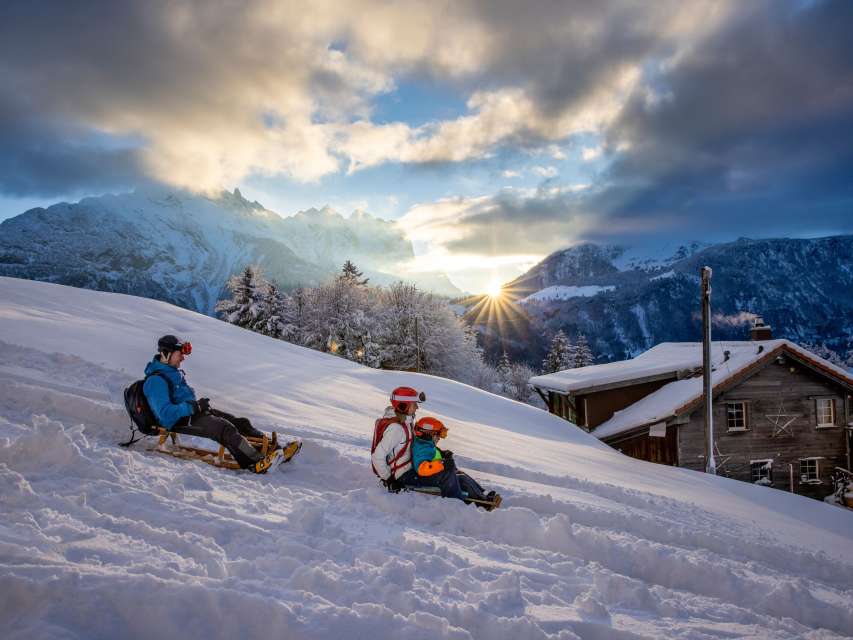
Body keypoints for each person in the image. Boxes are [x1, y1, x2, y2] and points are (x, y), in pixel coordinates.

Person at [143, 334, 280, 473]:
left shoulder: (173, 373)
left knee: (241, 422)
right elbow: (166, 415)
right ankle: (255, 462)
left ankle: (271, 449)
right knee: (225, 429)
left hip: (192, 413)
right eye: (180, 354)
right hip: (179, 420)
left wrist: (197, 406)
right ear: (166, 354)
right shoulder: (155, 381)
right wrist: (193, 407)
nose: (183, 358)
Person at [409, 416, 497, 507]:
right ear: (428, 433)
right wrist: (442, 465)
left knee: (460, 475)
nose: (439, 438)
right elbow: (422, 468)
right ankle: (481, 501)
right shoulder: (422, 448)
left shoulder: (426, 444)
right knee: (461, 478)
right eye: (438, 435)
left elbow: (433, 454)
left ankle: (482, 494)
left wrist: (443, 454)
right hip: (426, 478)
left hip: (432, 474)